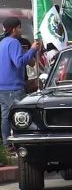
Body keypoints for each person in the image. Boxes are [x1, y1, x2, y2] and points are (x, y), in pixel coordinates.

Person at [0, 17, 40, 152]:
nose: (21, 30)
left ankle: (7, 144)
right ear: (14, 29)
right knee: (21, 115)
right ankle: (21, 143)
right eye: (20, 27)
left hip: (3, 87)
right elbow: (19, 62)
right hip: (14, 86)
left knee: (6, 115)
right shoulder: (14, 42)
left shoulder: (3, 42)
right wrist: (33, 49)